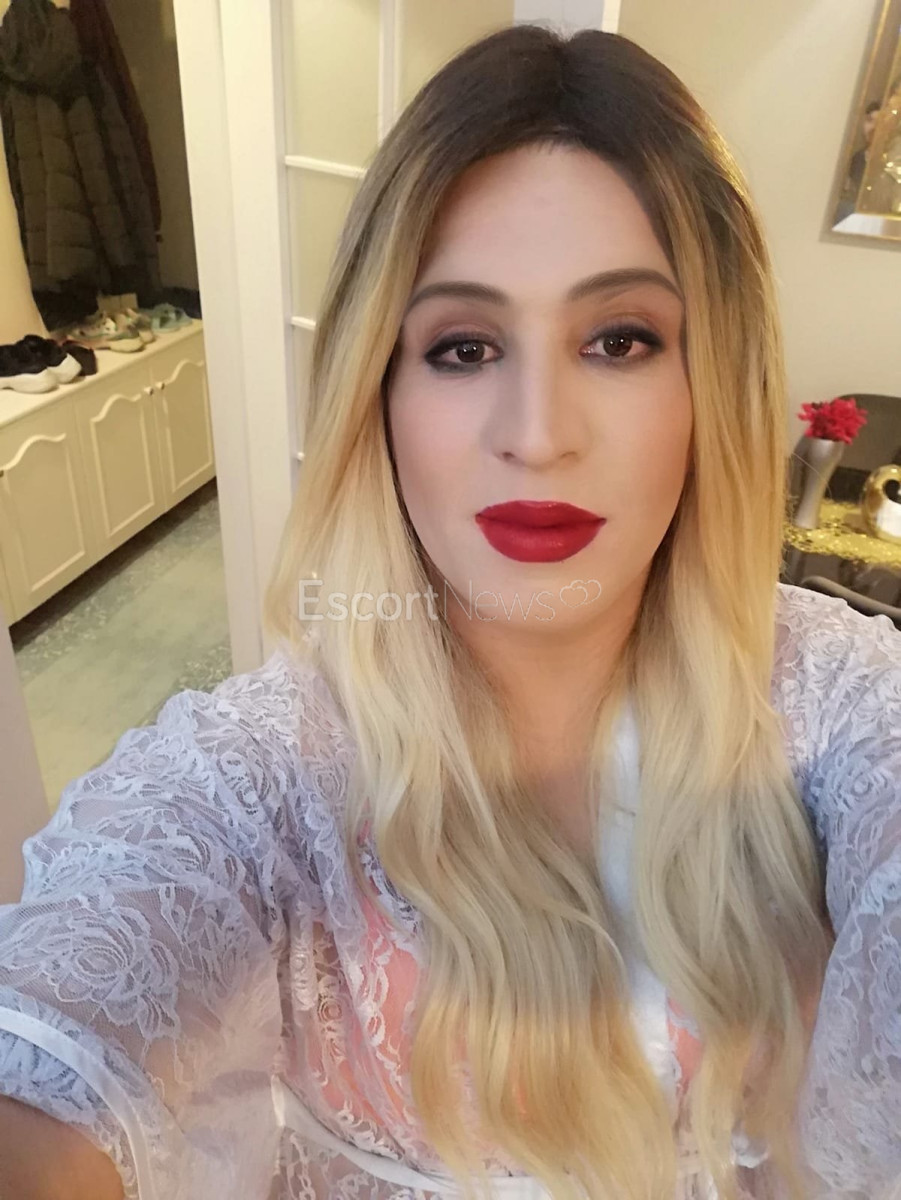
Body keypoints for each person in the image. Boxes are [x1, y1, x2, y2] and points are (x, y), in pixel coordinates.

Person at [1, 22, 900, 1200]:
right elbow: (60, 1052)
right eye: (464, 347)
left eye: (619, 339)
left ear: (713, 384)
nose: (537, 433)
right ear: (374, 391)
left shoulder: (834, 698)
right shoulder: (257, 784)